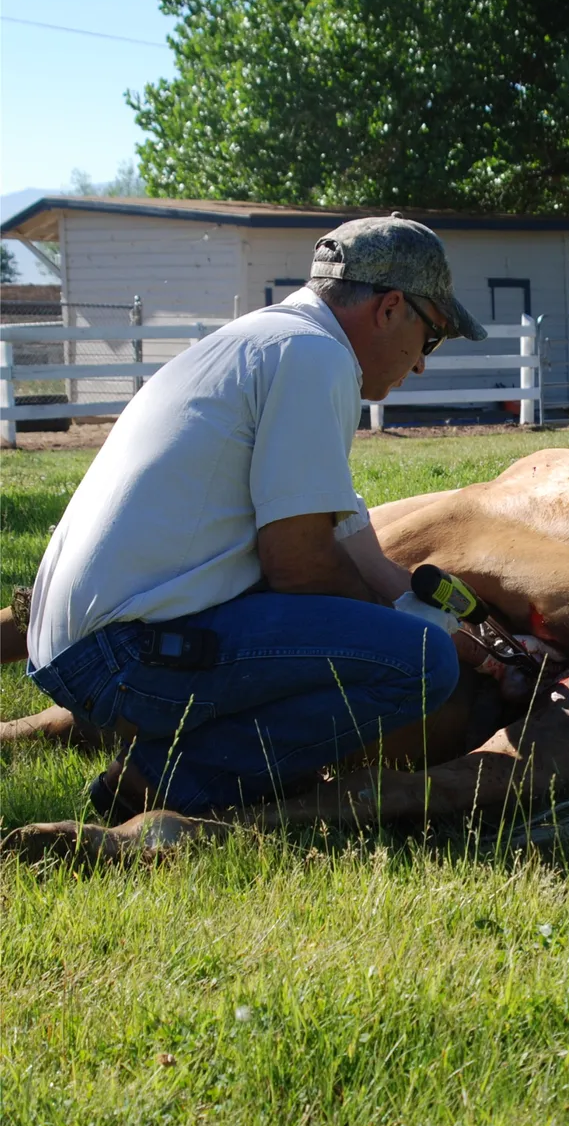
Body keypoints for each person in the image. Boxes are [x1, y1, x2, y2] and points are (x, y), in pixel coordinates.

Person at [24, 213, 487, 821]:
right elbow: (299, 566)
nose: (422, 363)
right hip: (120, 657)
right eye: (431, 336)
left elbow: (364, 555)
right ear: (390, 308)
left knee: (421, 642)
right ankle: (166, 783)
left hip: (76, 647)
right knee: (422, 662)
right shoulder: (316, 358)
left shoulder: (268, 341)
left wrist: (484, 642)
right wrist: (416, 636)